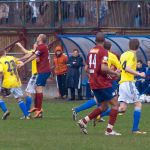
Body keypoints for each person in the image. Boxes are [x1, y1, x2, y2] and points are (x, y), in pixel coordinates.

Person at [77, 32, 121, 136]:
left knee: (104, 106)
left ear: (95, 40)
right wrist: (115, 73)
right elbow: (103, 68)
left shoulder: (91, 51)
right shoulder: (104, 52)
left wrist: (93, 76)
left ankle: (84, 121)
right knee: (115, 105)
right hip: (102, 83)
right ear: (104, 40)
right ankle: (109, 131)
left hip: (94, 83)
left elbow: (86, 68)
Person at [18, 34, 51, 118]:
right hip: (42, 71)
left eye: (39, 36)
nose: (37, 36)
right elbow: (30, 54)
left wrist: (24, 63)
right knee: (37, 88)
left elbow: (34, 56)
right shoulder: (40, 47)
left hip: (44, 71)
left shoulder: (42, 47)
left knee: (38, 89)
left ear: (40, 39)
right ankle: (37, 109)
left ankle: (38, 109)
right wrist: (20, 59)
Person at [118, 39, 146, 134]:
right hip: (128, 82)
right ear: (138, 47)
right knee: (138, 104)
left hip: (122, 83)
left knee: (122, 108)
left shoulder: (123, 54)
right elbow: (126, 68)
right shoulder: (132, 55)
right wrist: (139, 74)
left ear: (129, 45)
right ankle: (135, 129)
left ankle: (100, 114)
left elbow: (121, 67)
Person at [0, 50, 30, 119]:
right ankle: (27, 115)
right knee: (19, 98)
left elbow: (1, 71)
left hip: (8, 82)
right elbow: (21, 63)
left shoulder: (0, 61)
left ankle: (6, 111)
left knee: (1, 98)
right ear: (5, 53)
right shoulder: (11, 57)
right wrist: (20, 64)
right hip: (17, 81)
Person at [16, 42, 38, 113]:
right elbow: (26, 52)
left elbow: (27, 54)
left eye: (35, 44)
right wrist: (20, 46)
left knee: (28, 92)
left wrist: (19, 59)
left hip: (35, 74)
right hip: (38, 74)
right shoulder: (37, 52)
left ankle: (28, 111)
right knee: (34, 93)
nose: (33, 45)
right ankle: (35, 108)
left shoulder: (36, 52)